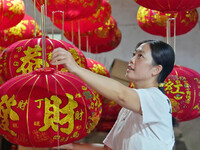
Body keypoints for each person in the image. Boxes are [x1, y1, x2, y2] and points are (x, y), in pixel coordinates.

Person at [51, 40, 175, 150]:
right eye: (134, 55)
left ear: (156, 70)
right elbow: (108, 149)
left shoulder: (157, 99)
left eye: (140, 56)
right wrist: (72, 146)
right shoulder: (128, 109)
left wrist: (76, 68)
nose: (131, 60)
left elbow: (121, 94)